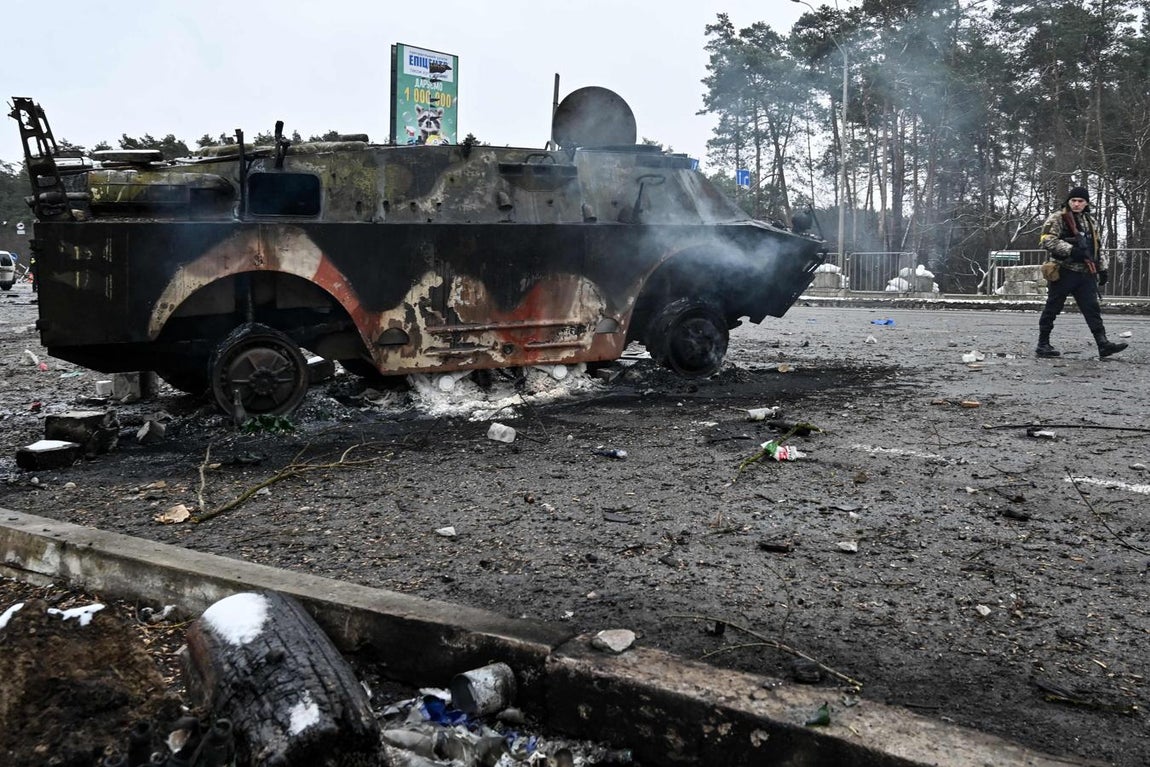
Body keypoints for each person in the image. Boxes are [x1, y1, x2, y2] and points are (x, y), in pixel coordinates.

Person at [1036, 186, 1127, 359]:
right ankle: (1043, 344)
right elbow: (1046, 240)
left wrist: (1102, 268)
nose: (1077, 204)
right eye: (1074, 200)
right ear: (1068, 201)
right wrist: (1071, 250)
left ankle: (1103, 344)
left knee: (1092, 309)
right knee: (1052, 308)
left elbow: (1097, 247)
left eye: (1081, 201)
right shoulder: (1058, 218)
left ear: (1086, 203)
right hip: (1063, 270)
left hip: (1085, 273)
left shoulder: (1090, 221)